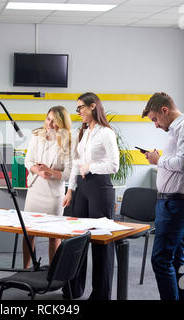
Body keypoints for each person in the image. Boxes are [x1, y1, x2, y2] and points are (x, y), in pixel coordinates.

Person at [142, 92, 184, 300]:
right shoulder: (178, 130)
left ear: (165, 110)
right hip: (171, 201)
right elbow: (176, 161)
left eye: (155, 119)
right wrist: (159, 159)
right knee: (177, 257)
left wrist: (159, 160)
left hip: (176, 203)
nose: (156, 125)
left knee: (160, 260)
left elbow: (182, 163)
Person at [62, 92, 119, 300]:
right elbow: (77, 164)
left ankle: (101, 294)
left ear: (93, 106)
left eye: (80, 108)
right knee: (77, 239)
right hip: (82, 189)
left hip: (100, 187)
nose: (78, 112)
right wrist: (70, 190)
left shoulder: (106, 133)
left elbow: (114, 165)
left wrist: (90, 166)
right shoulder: (84, 132)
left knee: (101, 242)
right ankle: (74, 289)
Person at [23, 106, 72, 269]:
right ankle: (26, 269)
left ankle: (53, 271)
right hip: (35, 190)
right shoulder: (37, 136)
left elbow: (69, 174)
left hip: (53, 196)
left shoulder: (67, 141)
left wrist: (49, 171)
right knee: (29, 233)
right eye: (47, 119)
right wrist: (38, 170)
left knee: (54, 235)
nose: (49, 124)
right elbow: (27, 161)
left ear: (62, 123)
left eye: (54, 120)